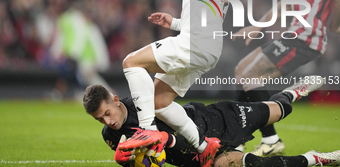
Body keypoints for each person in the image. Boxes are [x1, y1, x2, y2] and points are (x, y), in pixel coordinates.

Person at [121, 0, 242, 166]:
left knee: (131, 62)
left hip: (196, 44)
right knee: (158, 102)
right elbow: (202, 18)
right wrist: (173, 23)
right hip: (201, 44)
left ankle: (148, 132)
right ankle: (203, 146)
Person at [233, 0, 340, 156]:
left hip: (306, 39)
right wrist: (257, 26)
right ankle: (254, 138)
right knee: (241, 71)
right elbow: (287, 1)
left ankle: (257, 139)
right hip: (294, 34)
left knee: (250, 76)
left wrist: (334, 24)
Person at [83, 76, 340, 167]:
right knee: (234, 164)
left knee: (280, 111)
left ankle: (292, 92)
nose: (108, 121)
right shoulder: (111, 137)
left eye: (107, 113)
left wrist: (165, 140)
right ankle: (314, 159)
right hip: (194, 156)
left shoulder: (144, 102)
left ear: (115, 100)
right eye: (99, 120)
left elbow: (177, 131)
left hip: (211, 121)